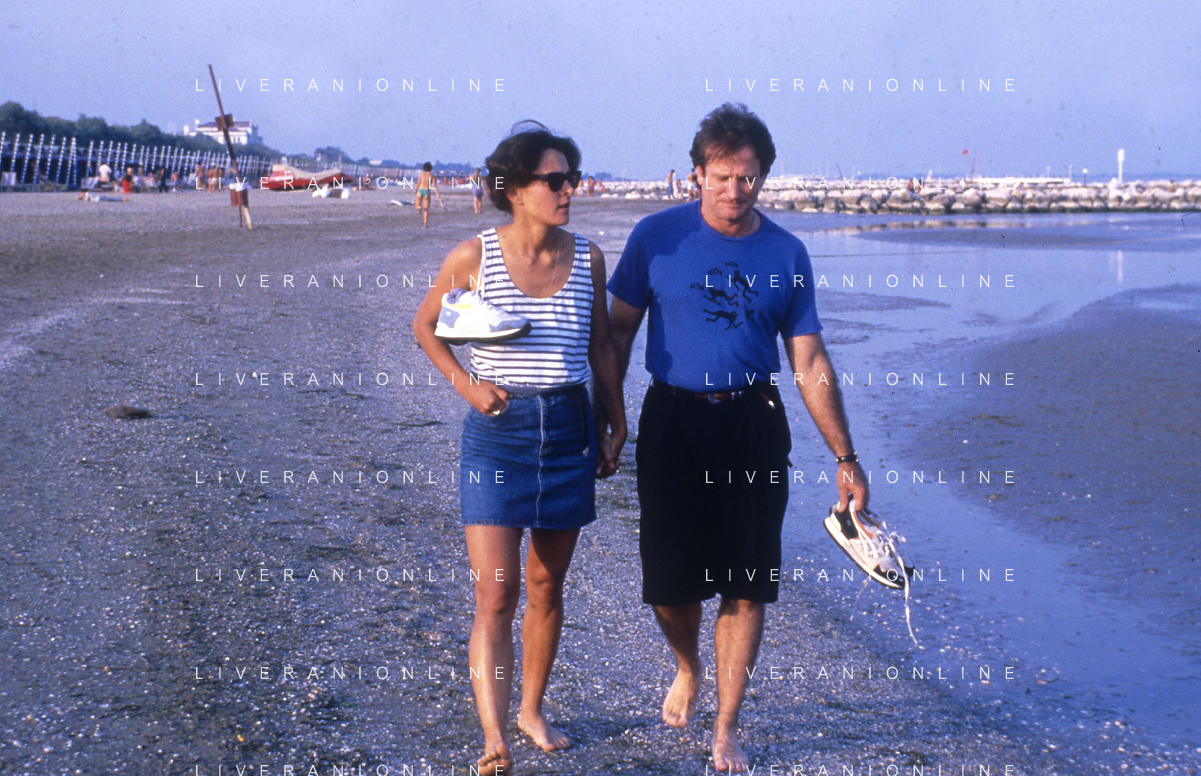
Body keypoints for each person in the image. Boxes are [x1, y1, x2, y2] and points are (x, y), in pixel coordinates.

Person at [600, 103, 870, 773]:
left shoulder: (786, 253)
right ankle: (687, 665)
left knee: (746, 584)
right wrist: (608, 416)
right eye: (720, 176)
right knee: (670, 586)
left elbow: (809, 360)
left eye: (747, 177)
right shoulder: (655, 237)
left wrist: (845, 456)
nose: (733, 190)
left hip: (753, 423)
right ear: (696, 173)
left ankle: (725, 726)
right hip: (672, 420)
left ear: (763, 178)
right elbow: (617, 333)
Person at [413, 124, 627, 776]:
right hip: (497, 434)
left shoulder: (588, 258)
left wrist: (616, 422)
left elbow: (600, 347)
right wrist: (466, 386)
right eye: (554, 181)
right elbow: (426, 325)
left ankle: (532, 711)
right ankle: (493, 736)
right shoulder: (473, 257)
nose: (569, 190)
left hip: (568, 427)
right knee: (497, 593)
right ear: (513, 189)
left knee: (545, 584)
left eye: (572, 179)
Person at [415, 162, 442, 227]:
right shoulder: (432, 175)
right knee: (426, 209)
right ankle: (425, 223)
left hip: (420, 190)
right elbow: (434, 186)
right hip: (426, 192)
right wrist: (437, 193)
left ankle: (419, 207)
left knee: (417, 206)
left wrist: (415, 190)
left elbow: (418, 183)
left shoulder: (421, 175)